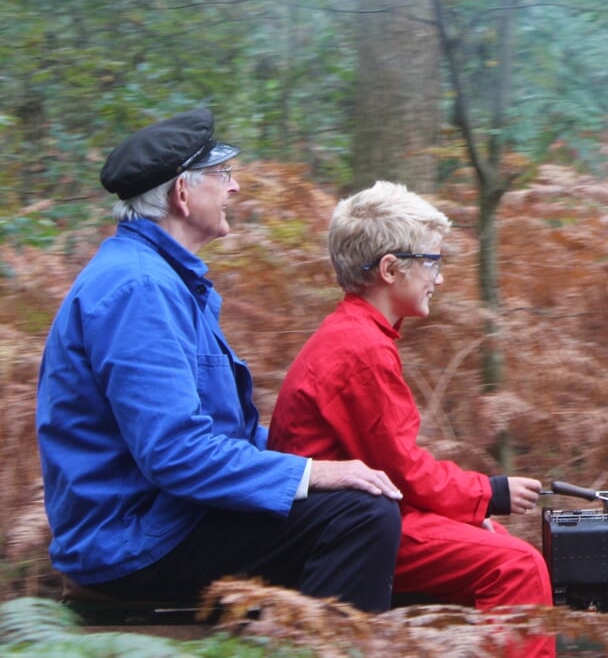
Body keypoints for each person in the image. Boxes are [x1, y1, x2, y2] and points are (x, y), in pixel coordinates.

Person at [35, 108, 404, 613]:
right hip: (136, 544)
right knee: (362, 517)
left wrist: (313, 462)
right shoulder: (141, 290)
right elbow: (176, 453)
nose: (234, 189)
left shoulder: (162, 279)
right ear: (182, 195)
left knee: (357, 501)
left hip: (164, 521)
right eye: (223, 175)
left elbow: (216, 434)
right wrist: (310, 475)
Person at [269, 181, 554, 658]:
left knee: (498, 543)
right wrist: (490, 493)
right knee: (516, 566)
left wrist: (475, 511)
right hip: (344, 529)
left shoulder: (360, 335)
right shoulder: (359, 351)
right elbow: (402, 471)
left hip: (360, 512)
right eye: (432, 262)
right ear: (389, 269)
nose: (439, 279)